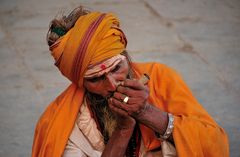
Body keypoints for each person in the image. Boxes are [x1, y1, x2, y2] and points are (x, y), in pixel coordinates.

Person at [32, 6, 229, 157]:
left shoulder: (161, 77)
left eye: (117, 68)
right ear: (80, 81)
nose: (111, 85)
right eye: (95, 79)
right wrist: (123, 129)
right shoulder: (60, 121)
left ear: (125, 56)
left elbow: (215, 146)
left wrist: (147, 112)